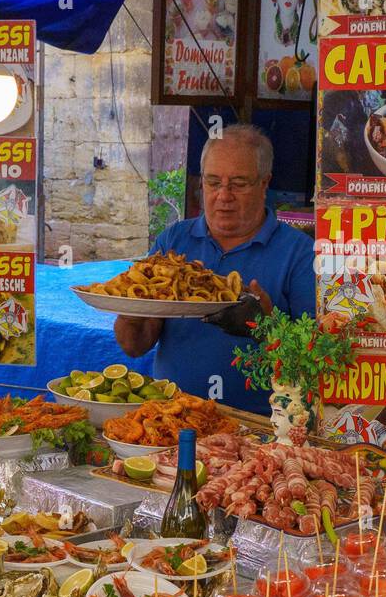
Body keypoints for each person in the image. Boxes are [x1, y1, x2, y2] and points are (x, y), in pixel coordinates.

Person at [114, 124, 315, 415]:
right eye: (213, 182)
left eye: (238, 183)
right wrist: (129, 310)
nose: (224, 195)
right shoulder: (173, 242)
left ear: (264, 183)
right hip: (173, 417)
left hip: (261, 428)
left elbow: (314, 361)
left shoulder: (299, 252)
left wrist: (266, 325)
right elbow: (134, 346)